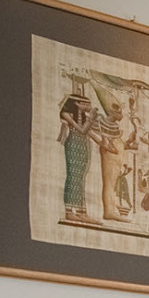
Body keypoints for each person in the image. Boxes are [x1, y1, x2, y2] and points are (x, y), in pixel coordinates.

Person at [56, 82, 93, 222]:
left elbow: (88, 132)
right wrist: (91, 118)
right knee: (73, 177)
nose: (88, 106)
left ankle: (82, 212)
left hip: (83, 146)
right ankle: (69, 211)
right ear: (77, 103)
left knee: (81, 178)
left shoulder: (83, 116)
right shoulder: (66, 114)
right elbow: (81, 130)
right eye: (86, 104)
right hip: (73, 144)